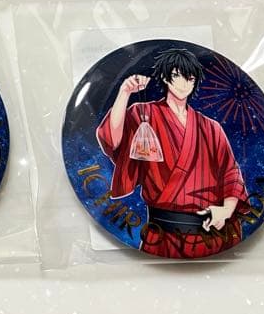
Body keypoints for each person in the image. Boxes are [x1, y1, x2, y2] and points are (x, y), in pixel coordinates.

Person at [96, 48, 248, 258]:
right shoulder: (143, 114)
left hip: (213, 231)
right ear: (165, 77)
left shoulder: (211, 127)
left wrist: (227, 210)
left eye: (190, 78)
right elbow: (112, 140)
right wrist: (124, 92)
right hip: (163, 235)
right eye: (177, 75)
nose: (184, 83)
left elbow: (231, 173)